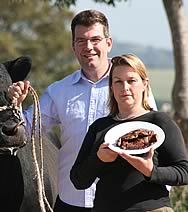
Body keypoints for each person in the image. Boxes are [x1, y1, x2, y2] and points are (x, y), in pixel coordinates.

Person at [8, 10, 157, 211]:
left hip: (122, 203)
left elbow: (154, 142)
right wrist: (15, 103)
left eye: (95, 39)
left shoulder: (132, 86)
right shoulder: (58, 91)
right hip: (71, 202)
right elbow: (26, 129)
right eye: (81, 41)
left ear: (108, 43)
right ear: (73, 47)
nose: (88, 47)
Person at [70, 54, 188, 212]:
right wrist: (99, 159)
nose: (125, 88)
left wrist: (151, 171)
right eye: (118, 81)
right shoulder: (100, 127)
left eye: (131, 81)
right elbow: (78, 180)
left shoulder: (159, 122)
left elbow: (184, 172)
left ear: (145, 84)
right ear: (111, 87)